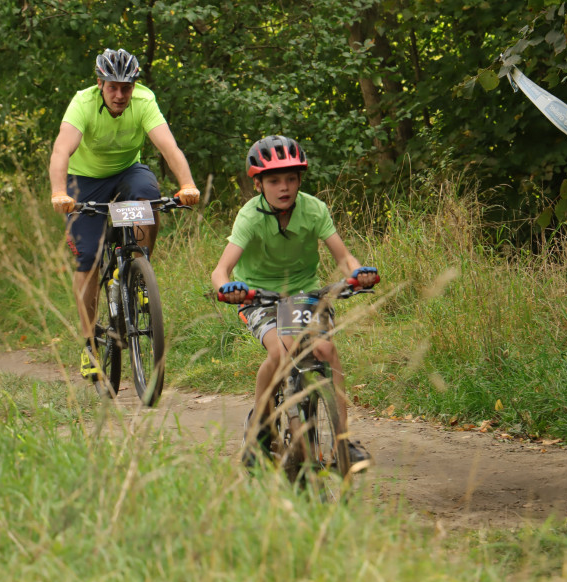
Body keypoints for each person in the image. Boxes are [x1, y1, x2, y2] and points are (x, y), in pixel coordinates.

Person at [211, 135, 378, 467]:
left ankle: (343, 441)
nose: (284, 187)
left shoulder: (314, 209)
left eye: (291, 179)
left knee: (326, 350)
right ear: (258, 183)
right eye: (274, 180)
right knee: (280, 350)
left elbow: (344, 257)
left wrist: (358, 273)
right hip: (260, 298)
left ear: (300, 180)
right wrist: (228, 288)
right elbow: (222, 269)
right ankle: (260, 427)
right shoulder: (250, 216)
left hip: (306, 295)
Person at [49, 48, 201, 379]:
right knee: (87, 261)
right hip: (84, 181)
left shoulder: (144, 101)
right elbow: (62, 149)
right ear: (100, 84)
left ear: (134, 87)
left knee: (148, 194)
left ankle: (138, 269)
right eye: (113, 87)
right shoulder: (83, 103)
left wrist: (187, 185)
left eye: (126, 87)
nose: (120, 94)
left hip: (126, 172)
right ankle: (89, 344)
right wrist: (59, 192)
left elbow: (168, 147)